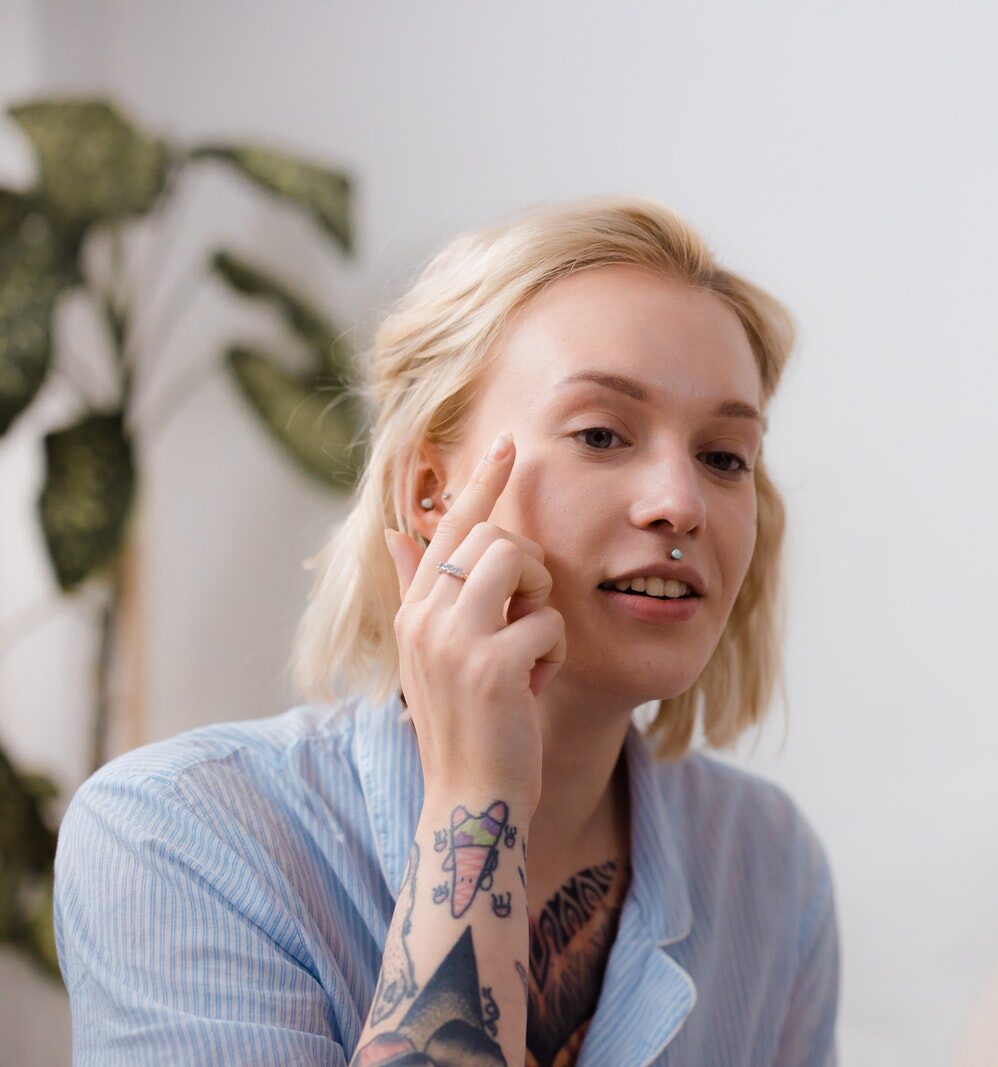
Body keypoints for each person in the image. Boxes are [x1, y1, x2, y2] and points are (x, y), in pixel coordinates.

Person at [52, 194, 841, 1066]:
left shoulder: (772, 871)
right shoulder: (178, 838)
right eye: (603, 433)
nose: (681, 503)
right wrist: (477, 797)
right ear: (433, 492)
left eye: (724, 456)